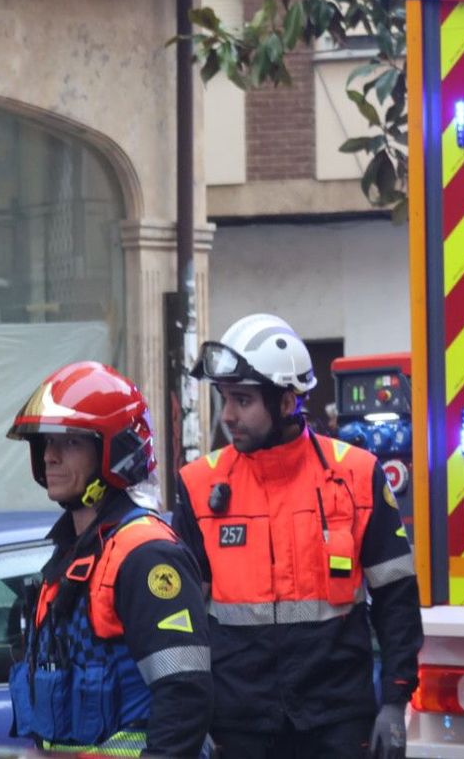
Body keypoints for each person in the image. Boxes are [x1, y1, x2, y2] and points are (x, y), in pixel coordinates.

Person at [173, 313, 421, 759]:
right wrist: (191, 715)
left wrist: (395, 701)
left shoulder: (357, 475)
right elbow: (182, 621)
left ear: (287, 402)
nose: (228, 415)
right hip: (238, 723)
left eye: (243, 400)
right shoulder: (197, 486)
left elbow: (397, 599)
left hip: (337, 720)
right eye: (224, 398)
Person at [6, 361, 212, 758]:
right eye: (45, 442)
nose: (49, 456)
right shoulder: (73, 551)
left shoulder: (147, 555)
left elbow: (184, 698)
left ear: (115, 451)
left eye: (69, 442)